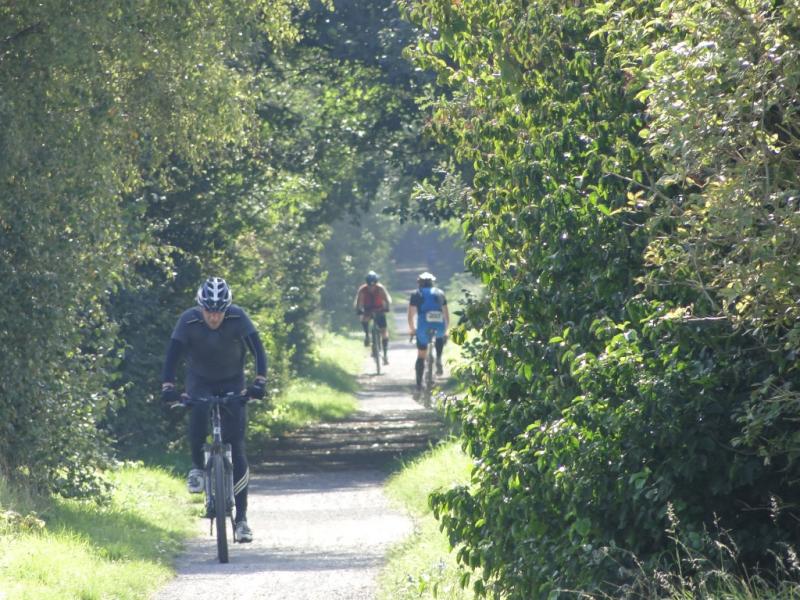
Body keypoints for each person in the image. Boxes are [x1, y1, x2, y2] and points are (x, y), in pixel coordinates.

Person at [160, 276, 267, 544]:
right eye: (209, 311)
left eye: (220, 311)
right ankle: (198, 467)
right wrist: (168, 386)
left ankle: (241, 520)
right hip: (200, 381)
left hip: (232, 382)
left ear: (227, 308)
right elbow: (172, 355)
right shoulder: (188, 320)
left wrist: (259, 382)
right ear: (201, 307)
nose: (214, 317)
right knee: (197, 416)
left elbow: (258, 350)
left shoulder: (238, 317)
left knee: (237, 446)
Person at [407, 271, 449, 389]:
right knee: (440, 336)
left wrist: (413, 330)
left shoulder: (416, 294)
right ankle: (439, 358)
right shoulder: (440, 293)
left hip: (423, 327)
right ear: (432, 282)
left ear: (419, 283)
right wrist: (446, 330)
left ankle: (419, 384)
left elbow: (410, 315)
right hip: (440, 327)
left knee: (421, 355)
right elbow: (446, 315)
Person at [353, 270, 392, 365]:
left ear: (376, 282)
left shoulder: (380, 288)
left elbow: (387, 299)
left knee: (384, 331)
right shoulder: (362, 290)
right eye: (369, 285)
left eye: (373, 284)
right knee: (364, 320)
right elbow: (358, 302)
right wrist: (359, 310)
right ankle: (367, 335)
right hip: (368, 310)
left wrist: (387, 307)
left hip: (379, 309)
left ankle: (385, 354)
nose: (371, 286)